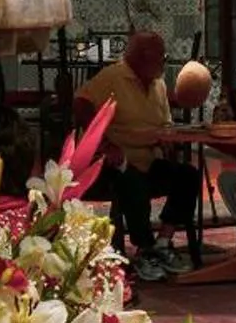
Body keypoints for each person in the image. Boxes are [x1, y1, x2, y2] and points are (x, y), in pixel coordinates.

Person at [75, 31, 202, 283]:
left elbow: (165, 123)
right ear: (144, 57)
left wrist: (169, 139)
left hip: (150, 158)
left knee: (188, 175)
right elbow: (81, 103)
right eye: (161, 56)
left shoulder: (158, 84)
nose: (164, 61)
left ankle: (163, 242)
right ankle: (145, 249)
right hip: (117, 161)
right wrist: (105, 144)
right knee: (133, 181)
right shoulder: (113, 77)